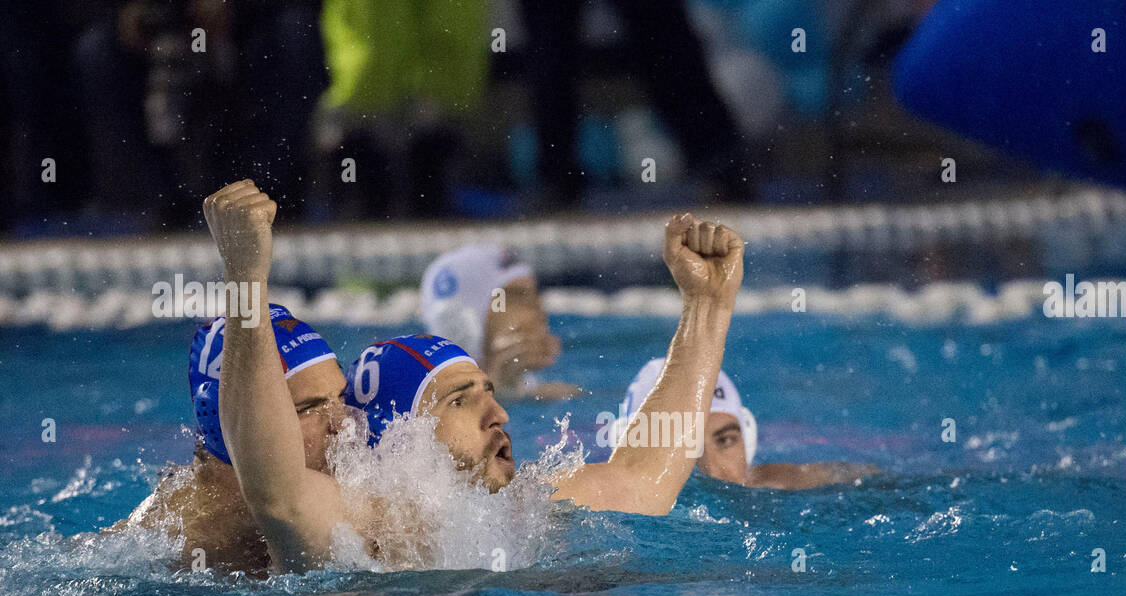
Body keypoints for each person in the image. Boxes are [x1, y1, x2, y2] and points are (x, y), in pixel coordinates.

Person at [203, 179, 743, 572]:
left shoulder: (519, 508)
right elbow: (276, 495)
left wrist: (707, 305)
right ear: (400, 433)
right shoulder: (358, 532)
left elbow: (641, 480)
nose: (499, 412)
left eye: (488, 391)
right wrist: (246, 277)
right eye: (460, 400)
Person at [115, 307, 350, 572]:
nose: (344, 425)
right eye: (309, 408)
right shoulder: (182, 545)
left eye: (341, 397)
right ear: (229, 424)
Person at [615, 358, 879, 489]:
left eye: (726, 440)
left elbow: (873, 477)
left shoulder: (781, 486)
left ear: (747, 439)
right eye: (681, 444)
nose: (713, 473)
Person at [419, 244, 580, 400]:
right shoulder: (418, 412)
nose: (540, 311)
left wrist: (508, 390)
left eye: (534, 295)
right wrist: (498, 391)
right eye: (516, 297)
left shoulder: (546, 396)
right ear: (466, 321)